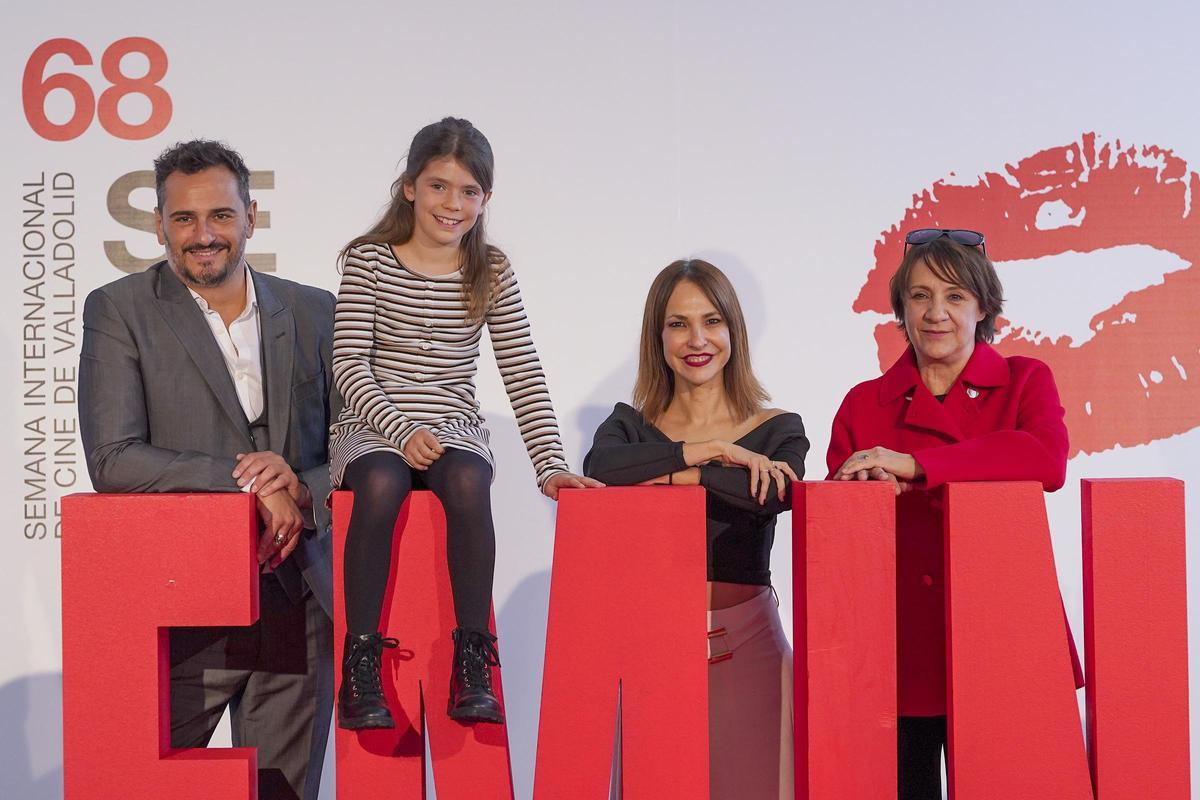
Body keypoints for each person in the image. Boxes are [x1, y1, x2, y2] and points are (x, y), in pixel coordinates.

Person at [78, 139, 337, 800]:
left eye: (221, 216)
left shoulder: (313, 312)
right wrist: (248, 481)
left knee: (282, 793)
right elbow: (113, 459)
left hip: (295, 604)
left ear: (251, 216)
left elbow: (354, 446)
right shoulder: (120, 310)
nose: (204, 236)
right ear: (158, 225)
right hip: (179, 612)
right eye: (185, 219)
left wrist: (302, 490)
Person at [331, 117, 600, 730]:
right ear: (409, 187)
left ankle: (473, 661)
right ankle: (361, 665)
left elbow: (521, 369)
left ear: (486, 199)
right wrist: (398, 430)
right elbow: (347, 362)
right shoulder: (370, 260)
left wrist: (551, 466)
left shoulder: (490, 270)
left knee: (468, 484)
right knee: (381, 485)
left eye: (468, 192)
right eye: (438, 187)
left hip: (452, 422)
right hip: (374, 422)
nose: (452, 205)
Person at [826, 228, 1083, 800]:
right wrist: (862, 497)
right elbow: (837, 527)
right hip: (896, 649)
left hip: (1004, 636)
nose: (935, 313)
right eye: (919, 296)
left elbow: (1045, 460)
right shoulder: (863, 403)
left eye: (955, 296)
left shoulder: (1025, 379)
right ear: (900, 307)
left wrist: (915, 463)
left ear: (983, 306)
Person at [583, 259, 808, 800]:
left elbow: (769, 497)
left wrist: (671, 474)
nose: (696, 340)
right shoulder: (627, 425)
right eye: (678, 324)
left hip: (750, 644)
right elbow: (600, 470)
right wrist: (707, 455)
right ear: (657, 337)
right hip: (650, 647)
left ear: (734, 329)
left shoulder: (777, 428)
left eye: (712, 321)